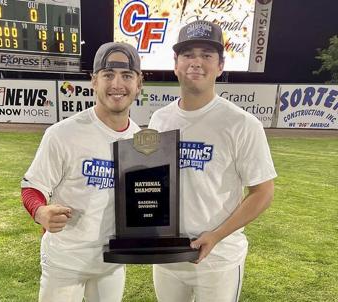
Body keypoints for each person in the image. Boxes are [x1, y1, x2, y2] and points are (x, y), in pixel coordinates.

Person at [148, 20, 277, 302]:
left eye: (206, 55)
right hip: (168, 255)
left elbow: (263, 192)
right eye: (188, 54)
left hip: (218, 259)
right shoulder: (160, 119)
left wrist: (217, 235)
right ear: (176, 63)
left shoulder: (242, 124)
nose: (196, 62)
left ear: (220, 66)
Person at [21, 42, 143, 302]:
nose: (117, 84)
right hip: (65, 262)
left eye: (127, 76)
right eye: (108, 75)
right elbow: (33, 186)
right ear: (94, 81)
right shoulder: (63, 133)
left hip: (111, 262)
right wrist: (40, 211)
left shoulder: (141, 141)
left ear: (139, 83)